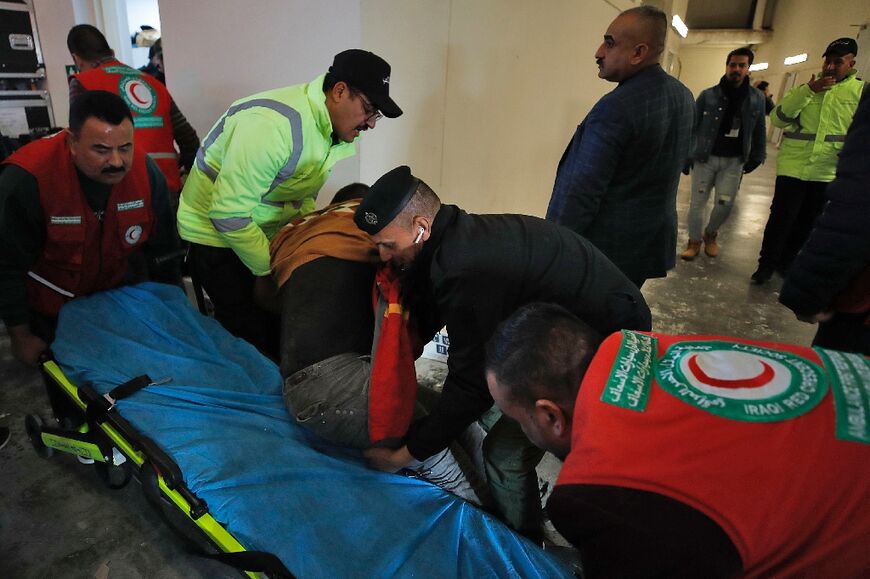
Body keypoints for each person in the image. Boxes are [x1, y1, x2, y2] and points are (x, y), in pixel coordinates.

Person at [353, 165, 651, 540]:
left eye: (388, 245)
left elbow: (469, 383)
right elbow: (439, 312)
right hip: (596, 316)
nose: (383, 256)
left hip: (610, 339)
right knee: (495, 413)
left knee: (504, 457)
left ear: (421, 227)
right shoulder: (460, 237)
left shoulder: (462, 268)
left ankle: (526, 544)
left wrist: (404, 455)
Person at [485, 302, 870, 578]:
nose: (522, 432)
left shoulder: (596, 492)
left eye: (519, 420)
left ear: (550, 415)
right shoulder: (631, 345)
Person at [265, 184, 489, 506]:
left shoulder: (308, 234)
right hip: (327, 385)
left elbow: (266, 297)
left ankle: (493, 502)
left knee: (450, 418)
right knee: (434, 443)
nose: (383, 251)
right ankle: (495, 522)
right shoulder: (366, 237)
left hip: (316, 380)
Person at [177, 49, 402, 357]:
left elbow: (301, 197)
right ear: (339, 91)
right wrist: (270, 269)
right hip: (216, 235)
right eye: (369, 109)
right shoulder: (273, 127)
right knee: (250, 337)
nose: (371, 123)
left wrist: (302, 240)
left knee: (280, 324)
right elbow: (228, 215)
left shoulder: (331, 131)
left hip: (260, 228)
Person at [0, 91, 182, 366]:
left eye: (125, 147)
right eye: (101, 149)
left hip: (118, 300)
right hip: (52, 313)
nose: (117, 162)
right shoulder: (27, 181)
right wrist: (21, 336)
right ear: (72, 142)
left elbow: (164, 250)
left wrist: (171, 312)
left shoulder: (146, 174)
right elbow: (6, 267)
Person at [546, 5, 694, 288]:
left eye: (610, 43)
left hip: (605, 252)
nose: (599, 52)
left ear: (638, 53)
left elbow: (581, 193)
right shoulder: (683, 96)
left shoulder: (615, 108)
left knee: (586, 327)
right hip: (646, 244)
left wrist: (556, 252)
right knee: (620, 315)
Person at [752, 37, 865, 284]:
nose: (831, 67)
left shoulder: (860, 92)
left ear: (851, 63)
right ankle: (766, 265)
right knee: (780, 220)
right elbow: (779, 118)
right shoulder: (807, 88)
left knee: (808, 222)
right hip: (794, 166)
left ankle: (787, 263)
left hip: (827, 170)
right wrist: (808, 93)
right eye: (828, 61)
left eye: (838, 61)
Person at [780, 89, 870, 354]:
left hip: (859, 308)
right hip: (796, 169)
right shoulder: (804, 92)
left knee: (844, 385)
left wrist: (808, 291)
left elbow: (857, 206)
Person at [67, 24, 199, 197]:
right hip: (167, 190)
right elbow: (188, 139)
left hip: (120, 193)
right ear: (112, 53)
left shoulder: (83, 82)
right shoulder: (153, 83)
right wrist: (194, 189)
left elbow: (79, 144)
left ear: (77, 59)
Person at [681, 47, 767, 260]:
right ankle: (694, 241)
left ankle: (711, 234)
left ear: (748, 69)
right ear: (726, 66)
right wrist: (685, 156)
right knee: (697, 203)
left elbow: (759, 129)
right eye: (732, 65)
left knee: (724, 204)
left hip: (734, 162)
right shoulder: (708, 95)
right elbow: (691, 126)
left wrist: (758, 155)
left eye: (741, 65)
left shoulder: (756, 98)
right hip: (705, 158)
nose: (736, 69)